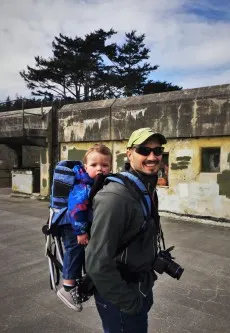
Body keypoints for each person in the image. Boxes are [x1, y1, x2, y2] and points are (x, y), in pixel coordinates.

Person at [85, 128, 167, 332]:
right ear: (129, 154)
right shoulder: (116, 197)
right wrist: (131, 303)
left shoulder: (143, 188)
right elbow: (97, 263)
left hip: (139, 287)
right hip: (121, 298)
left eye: (157, 151)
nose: (152, 156)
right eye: (144, 150)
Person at [57, 144, 112, 312]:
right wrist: (80, 232)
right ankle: (67, 286)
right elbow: (77, 209)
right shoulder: (83, 185)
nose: (99, 169)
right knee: (74, 250)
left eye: (104, 165)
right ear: (85, 166)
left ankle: (77, 282)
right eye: (94, 165)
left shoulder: (97, 182)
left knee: (82, 252)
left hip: (79, 226)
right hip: (72, 226)